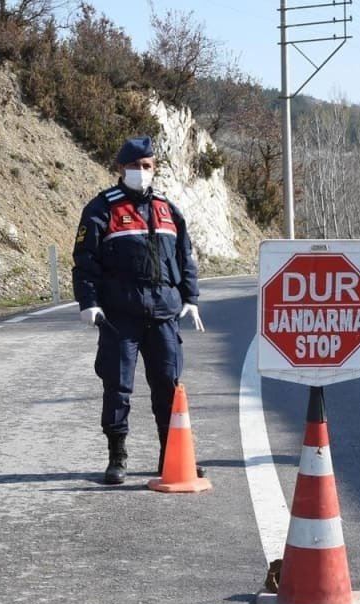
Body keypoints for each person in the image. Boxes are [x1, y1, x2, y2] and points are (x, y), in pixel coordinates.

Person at [72, 136, 205, 484]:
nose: (140, 173)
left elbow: (185, 258)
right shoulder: (102, 209)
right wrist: (89, 302)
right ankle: (117, 456)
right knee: (117, 386)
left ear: (154, 168)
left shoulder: (168, 208)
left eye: (146, 167)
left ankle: (171, 455)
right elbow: (85, 262)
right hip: (120, 317)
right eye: (134, 167)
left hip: (164, 315)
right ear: (121, 169)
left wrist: (191, 298)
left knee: (168, 385)